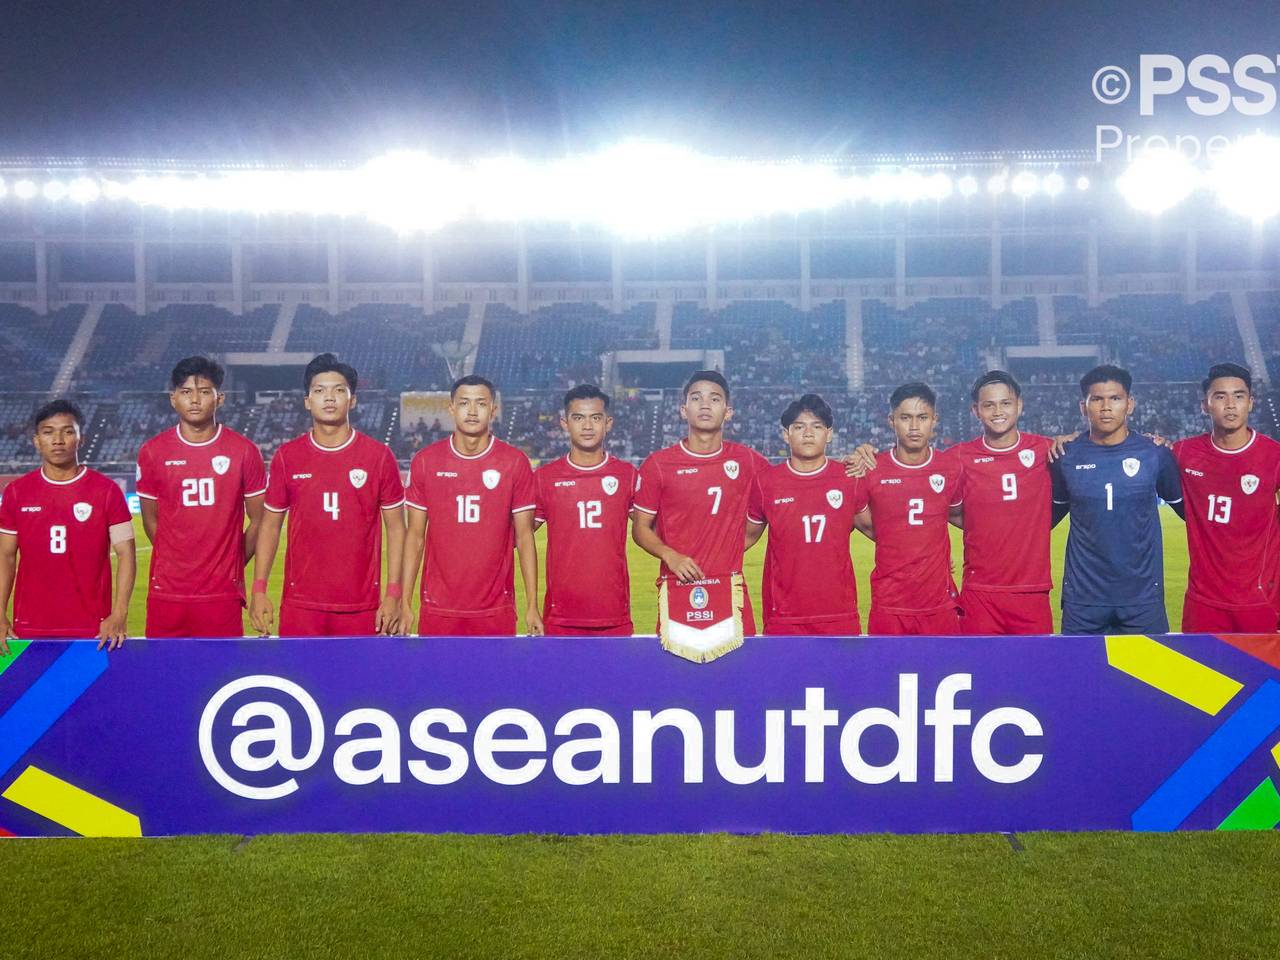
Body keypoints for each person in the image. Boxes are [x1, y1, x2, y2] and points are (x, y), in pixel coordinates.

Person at [249, 353, 405, 637]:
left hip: (361, 605)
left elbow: (396, 528)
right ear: (308, 401)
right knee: (300, 680)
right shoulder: (288, 456)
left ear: (352, 400)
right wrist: (259, 589)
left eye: (339, 391)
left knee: (358, 682)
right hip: (301, 606)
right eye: (320, 391)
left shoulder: (379, 457)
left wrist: (394, 594)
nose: (329, 398)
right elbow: (270, 526)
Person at [135, 356, 266, 638]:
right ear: (173, 399)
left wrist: (232, 563)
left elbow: (260, 520)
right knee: (164, 676)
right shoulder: (153, 451)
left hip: (221, 594)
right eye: (186, 392)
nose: (195, 400)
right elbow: (150, 519)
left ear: (219, 398)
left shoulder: (243, 450)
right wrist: (177, 563)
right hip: (167, 592)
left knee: (221, 676)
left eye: (204, 392)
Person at [400, 374, 541, 636]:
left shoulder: (514, 462)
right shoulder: (426, 461)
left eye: (481, 403)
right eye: (465, 403)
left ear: (494, 410)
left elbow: (524, 537)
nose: (473, 411)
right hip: (438, 608)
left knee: (494, 677)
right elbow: (415, 537)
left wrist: (532, 605)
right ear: (452, 409)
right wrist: (404, 602)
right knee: (438, 677)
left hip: (496, 609)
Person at [632, 370, 770, 634]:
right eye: (697, 398)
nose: (705, 405)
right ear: (684, 410)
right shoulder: (659, 465)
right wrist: (669, 555)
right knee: (677, 673)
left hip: (729, 589)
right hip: (676, 587)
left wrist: (854, 462)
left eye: (714, 399)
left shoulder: (748, 461)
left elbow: (790, 482)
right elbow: (640, 528)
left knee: (740, 673)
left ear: (727, 411)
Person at [1050, 365, 1184, 635]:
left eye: (1115, 398)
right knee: (1080, 676)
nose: (1106, 407)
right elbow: (1042, 521)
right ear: (1083, 406)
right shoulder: (1065, 456)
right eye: (1096, 399)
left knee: (1148, 677)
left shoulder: (1155, 454)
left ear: (1129, 404)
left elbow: (1193, 514)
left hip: (1142, 599)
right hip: (1083, 601)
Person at [0, 399, 135, 652]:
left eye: (68, 431)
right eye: (48, 432)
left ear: (81, 439)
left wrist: (119, 614)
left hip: (92, 629)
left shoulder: (106, 491)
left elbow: (126, 554)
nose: (58, 440)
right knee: (33, 692)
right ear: (36, 440)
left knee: (91, 692)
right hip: (28, 626)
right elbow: (5, 557)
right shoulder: (17, 493)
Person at [745, 393, 870, 635]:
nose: (808, 433)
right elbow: (745, 538)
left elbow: (878, 531)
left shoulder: (848, 479)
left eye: (817, 426)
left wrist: (925, 553)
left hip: (838, 615)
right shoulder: (766, 482)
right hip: (784, 616)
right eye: (799, 427)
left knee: (840, 674)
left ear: (829, 434)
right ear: (786, 434)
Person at [1173, 362, 1280, 632]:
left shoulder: (1273, 455)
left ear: (1251, 403)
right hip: (1203, 603)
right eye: (1220, 396)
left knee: (1264, 676)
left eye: (1239, 396)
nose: (1230, 404)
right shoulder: (1183, 453)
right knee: (1200, 675)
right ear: (1205, 405)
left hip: (1261, 601)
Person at [949, 371, 1057, 635]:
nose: (998, 411)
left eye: (1005, 403)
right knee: (980, 672)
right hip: (980, 592)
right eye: (989, 405)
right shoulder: (959, 457)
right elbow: (942, 505)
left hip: (1032, 591)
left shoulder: (1048, 450)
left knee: (1034, 673)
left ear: (1019, 405)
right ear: (976, 410)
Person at [857, 382, 963, 635]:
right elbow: (865, 523)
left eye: (922, 417)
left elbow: (959, 516)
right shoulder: (871, 469)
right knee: (886, 673)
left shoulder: (951, 467)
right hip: (889, 604)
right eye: (905, 418)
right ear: (891, 421)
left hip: (939, 604)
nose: (914, 427)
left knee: (945, 669)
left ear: (934, 420)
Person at [533, 384, 636, 636]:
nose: (587, 426)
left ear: (608, 423)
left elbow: (652, 531)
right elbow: (518, 537)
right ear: (565, 423)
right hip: (561, 615)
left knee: (615, 677)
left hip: (614, 614)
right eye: (578, 418)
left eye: (596, 418)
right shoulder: (545, 478)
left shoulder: (627, 475)